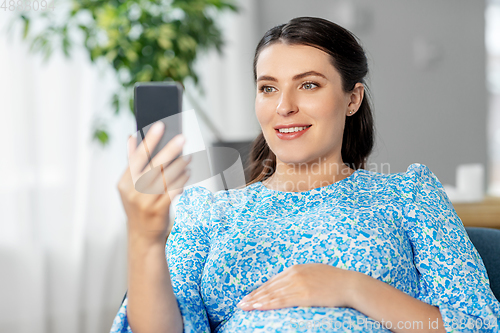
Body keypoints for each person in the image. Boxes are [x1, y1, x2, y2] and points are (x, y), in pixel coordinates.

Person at [111, 17, 500, 333]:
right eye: (268, 88)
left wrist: (351, 288)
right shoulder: (208, 212)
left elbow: (477, 325)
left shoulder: (408, 196)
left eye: (308, 85)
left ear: (352, 99)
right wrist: (145, 239)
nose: (284, 106)